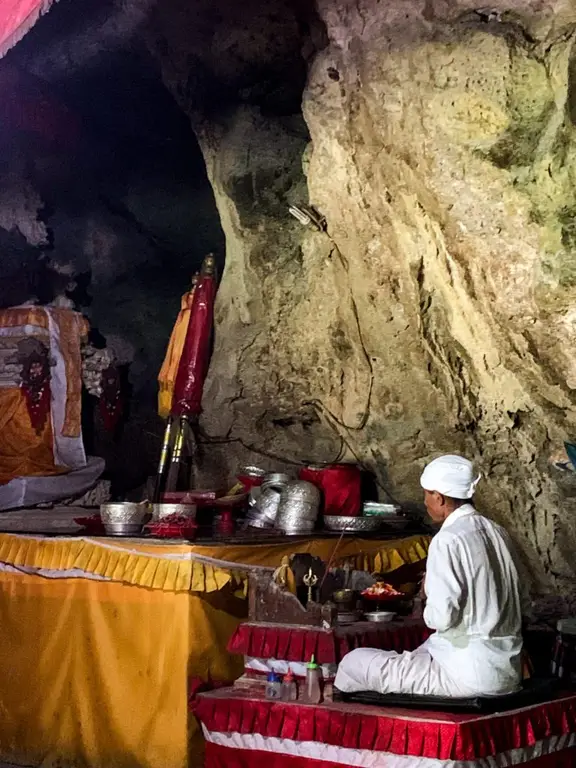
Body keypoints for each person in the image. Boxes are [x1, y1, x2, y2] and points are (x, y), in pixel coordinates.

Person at [334, 455, 524, 697]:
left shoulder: (447, 539)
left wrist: (427, 593)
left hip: (465, 675)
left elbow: (441, 619)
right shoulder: (498, 533)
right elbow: (523, 600)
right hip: (507, 672)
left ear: (439, 497)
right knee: (420, 651)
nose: (424, 501)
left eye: (426, 494)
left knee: (354, 662)